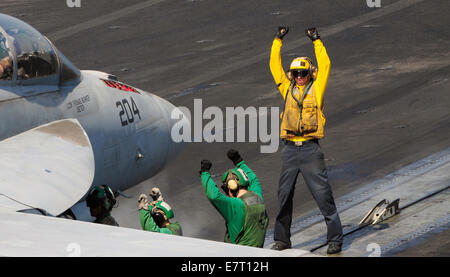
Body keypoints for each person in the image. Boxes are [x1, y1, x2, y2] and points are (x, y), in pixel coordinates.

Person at [269, 26, 343, 254]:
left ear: (310, 73)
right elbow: (274, 66)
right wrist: (277, 40)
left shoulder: (317, 88)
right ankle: (282, 239)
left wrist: (317, 41)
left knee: (323, 197)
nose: (299, 77)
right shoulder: (286, 88)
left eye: (303, 74)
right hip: (290, 150)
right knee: (284, 197)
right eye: (296, 74)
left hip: (310, 150)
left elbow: (327, 64)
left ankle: (335, 240)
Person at [200, 149, 268, 248]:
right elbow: (253, 179)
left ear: (231, 186)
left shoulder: (236, 205)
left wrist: (204, 173)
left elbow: (214, 196)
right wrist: (239, 162)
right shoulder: (257, 197)